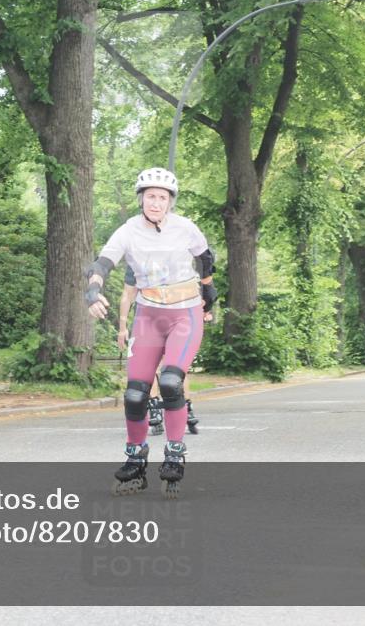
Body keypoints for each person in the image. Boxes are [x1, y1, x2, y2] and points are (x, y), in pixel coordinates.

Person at [86, 167, 217, 497]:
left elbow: (205, 259)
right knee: (135, 394)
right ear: (141, 199)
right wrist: (93, 292)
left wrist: (208, 292)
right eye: (150, 197)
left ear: (170, 201)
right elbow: (102, 264)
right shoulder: (128, 231)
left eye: (161, 197)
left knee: (170, 382)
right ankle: (135, 459)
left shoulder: (185, 228)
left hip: (185, 315)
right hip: (148, 316)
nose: (155, 203)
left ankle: (174, 454)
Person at [117, 267, 202, 436]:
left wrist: (123, 327)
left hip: (150, 320)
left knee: (152, 368)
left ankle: (156, 408)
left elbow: (128, 294)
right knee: (175, 368)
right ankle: (186, 407)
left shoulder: (137, 260)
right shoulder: (177, 258)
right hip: (177, 318)